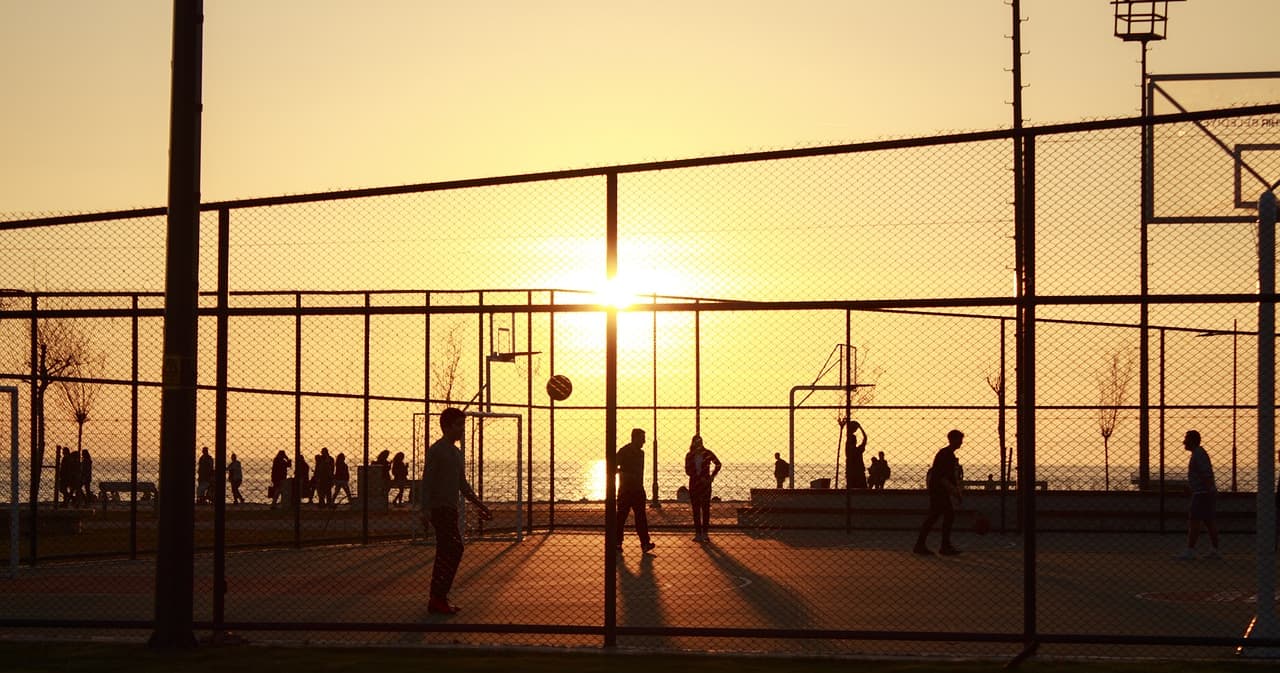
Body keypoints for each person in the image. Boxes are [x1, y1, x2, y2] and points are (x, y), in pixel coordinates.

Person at [421, 407, 491, 615]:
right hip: (439, 509)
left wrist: (480, 504)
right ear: (447, 426)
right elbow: (427, 481)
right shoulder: (436, 451)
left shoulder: (457, 453)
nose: (462, 429)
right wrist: (424, 509)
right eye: (459, 425)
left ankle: (438, 597)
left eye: (463, 425)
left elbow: (462, 484)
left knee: (448, 551)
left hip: (450, 509)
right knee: (453, 548)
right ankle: (438, 597)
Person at [914, 429, 964, 556]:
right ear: (953, 440)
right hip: (939, 489)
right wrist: (954, 491)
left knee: (936, 516)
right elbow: (942, 477)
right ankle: (942, 546)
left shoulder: (948, 454)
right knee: (944, 515)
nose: (961, 442)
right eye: (959, 440)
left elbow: (949, 477)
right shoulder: (946, 455)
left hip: (939, 489)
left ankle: (925, 544)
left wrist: (955, 490)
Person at [1176, 430, 1220, 560]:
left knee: (1194, 521)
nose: (1184, 442)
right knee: (1209, 521)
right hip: (1204, 493)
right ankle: (1215, 550)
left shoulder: (1198, 455)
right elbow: (1204, 475)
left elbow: (1205, 474)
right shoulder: (1199, 453)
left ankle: (1191, 550)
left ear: (1192, 441)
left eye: (1186, 439)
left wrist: (1207, 490)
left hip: (1202, 494)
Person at [615, 428, 656, 553]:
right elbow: (613, 465)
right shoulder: (624, 451)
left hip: (637, 489)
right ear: (635, 438)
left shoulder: (640, 453)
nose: (644, 441)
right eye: (642, 438)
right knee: (621, 517)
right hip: (626, 490)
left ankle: (645, 543)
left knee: (640, 517)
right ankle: (617, 543)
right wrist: (624, 473)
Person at [684, 434, 721, 542]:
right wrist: (697, 476)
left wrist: (711, 477)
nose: (698, 444)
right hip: (695, 483)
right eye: (696, 442)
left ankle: (704, 533)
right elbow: (687, 470)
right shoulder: (690, 455)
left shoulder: (707, 453)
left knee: (705, 509)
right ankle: (698, 533)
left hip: (705, 483)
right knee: (696, 509)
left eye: (699, 442)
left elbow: (718, 464)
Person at [845, 420, 868, 490]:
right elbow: (865, 438)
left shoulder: (848, 451)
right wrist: (860, 428)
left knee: (851, 490)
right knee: (862, 490)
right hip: (859, 473)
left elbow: (848, 435)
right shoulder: (858, 450)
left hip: (851, 473)